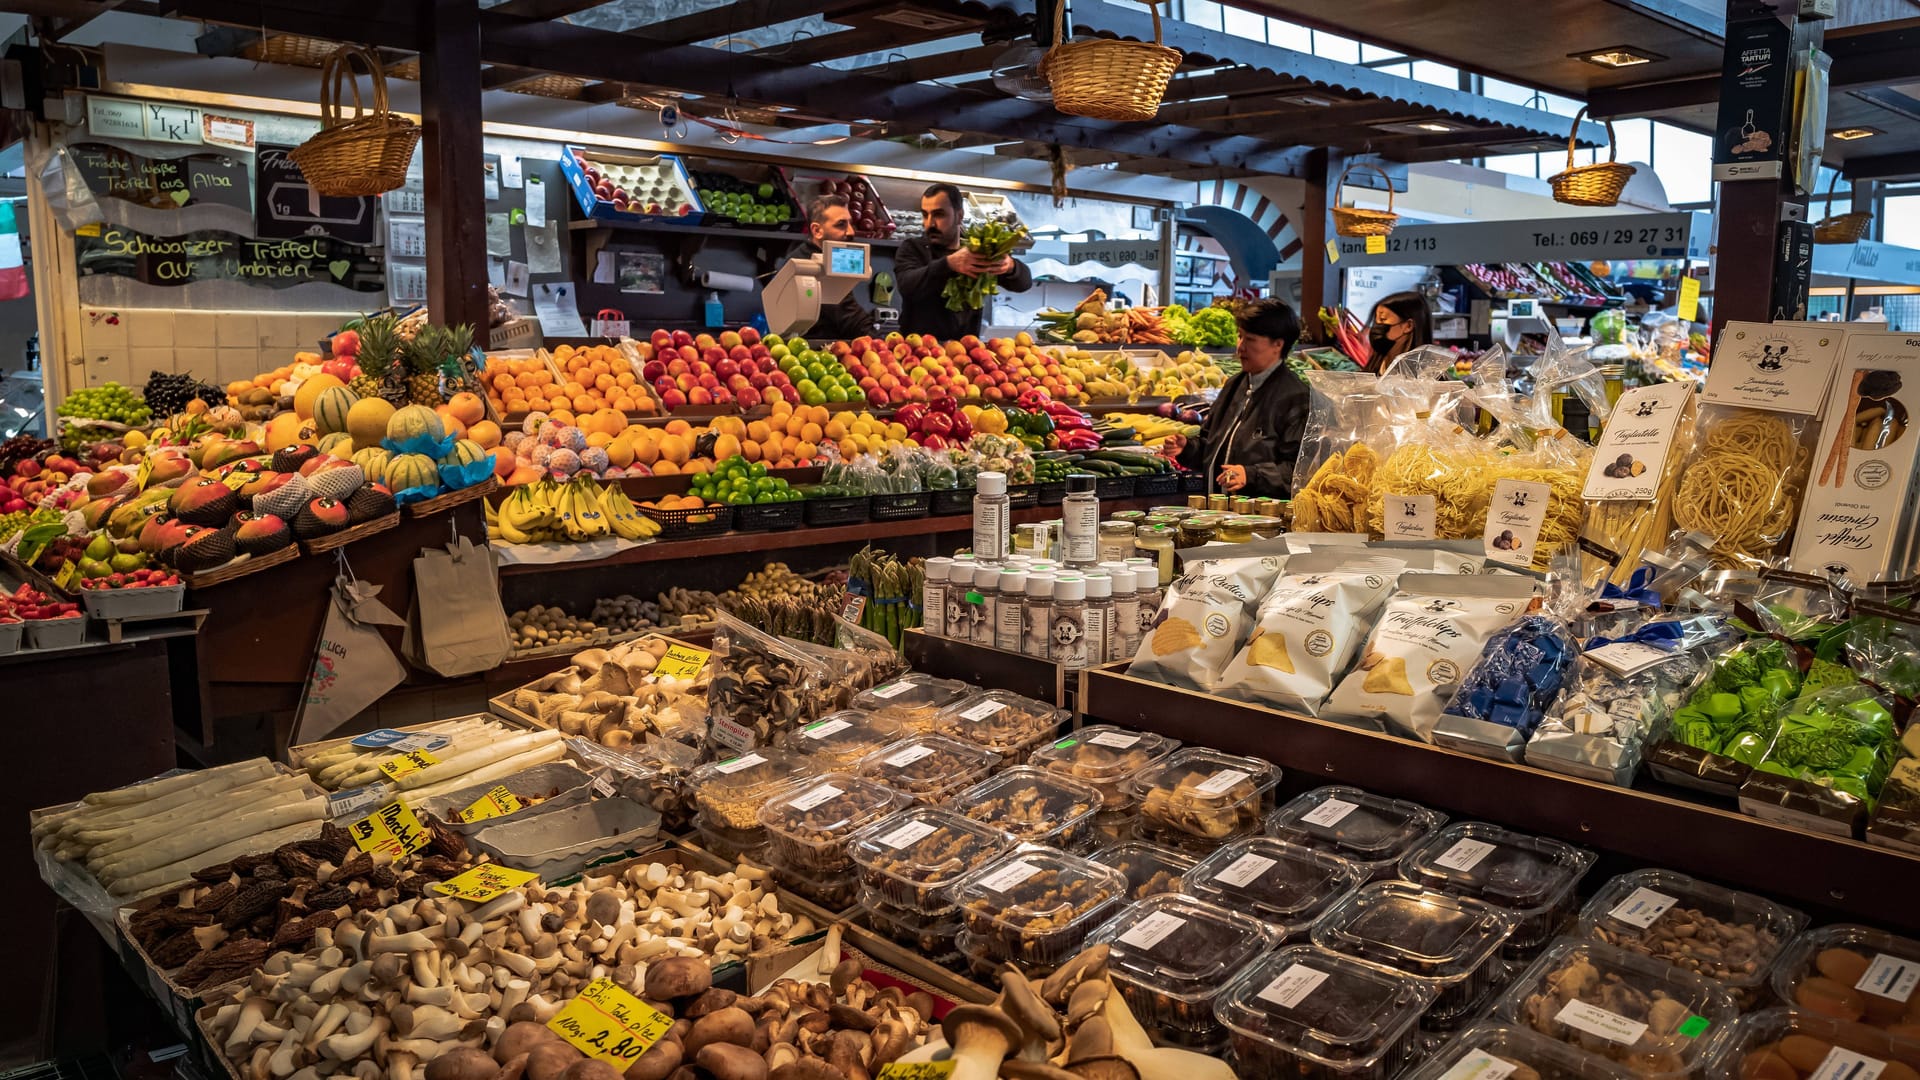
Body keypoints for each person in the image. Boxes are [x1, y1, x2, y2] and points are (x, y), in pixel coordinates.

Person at [1160, 299, 1310, 497]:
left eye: (1250, 339)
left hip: (1262, 519)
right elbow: (1211, 444)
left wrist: (1251, 475)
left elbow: (1301, 470)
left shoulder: (1296, 397)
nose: (1240, 347)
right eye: (1240, 337)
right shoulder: (1235, 385)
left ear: (1277, 344)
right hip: (1219, 511)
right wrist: (1188, 448)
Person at [893, 182, 1032, 339]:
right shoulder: (912, 248)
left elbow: (1024, 283)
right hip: (918, 352)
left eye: (939, 214)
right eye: (925, 215)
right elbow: (906, 285)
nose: (930, 223)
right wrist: (948, 264)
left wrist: (1011, 266)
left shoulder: (977, 250)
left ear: (959, 216)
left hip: (966, 351)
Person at [790, 194, 873, 342]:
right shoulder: (809, 264)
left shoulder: (828, 257)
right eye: (841, 224)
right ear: (817, 231)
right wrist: (878, 343)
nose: (851, 232)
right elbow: (848, 317)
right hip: (812, 353)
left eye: (850, 223)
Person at [1370, 291, 1431, 366]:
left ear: (1408, 326)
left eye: (1383, 319)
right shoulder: (1378, 361)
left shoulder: (1427, 372)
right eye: (1376, 320)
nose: (1377, 325)